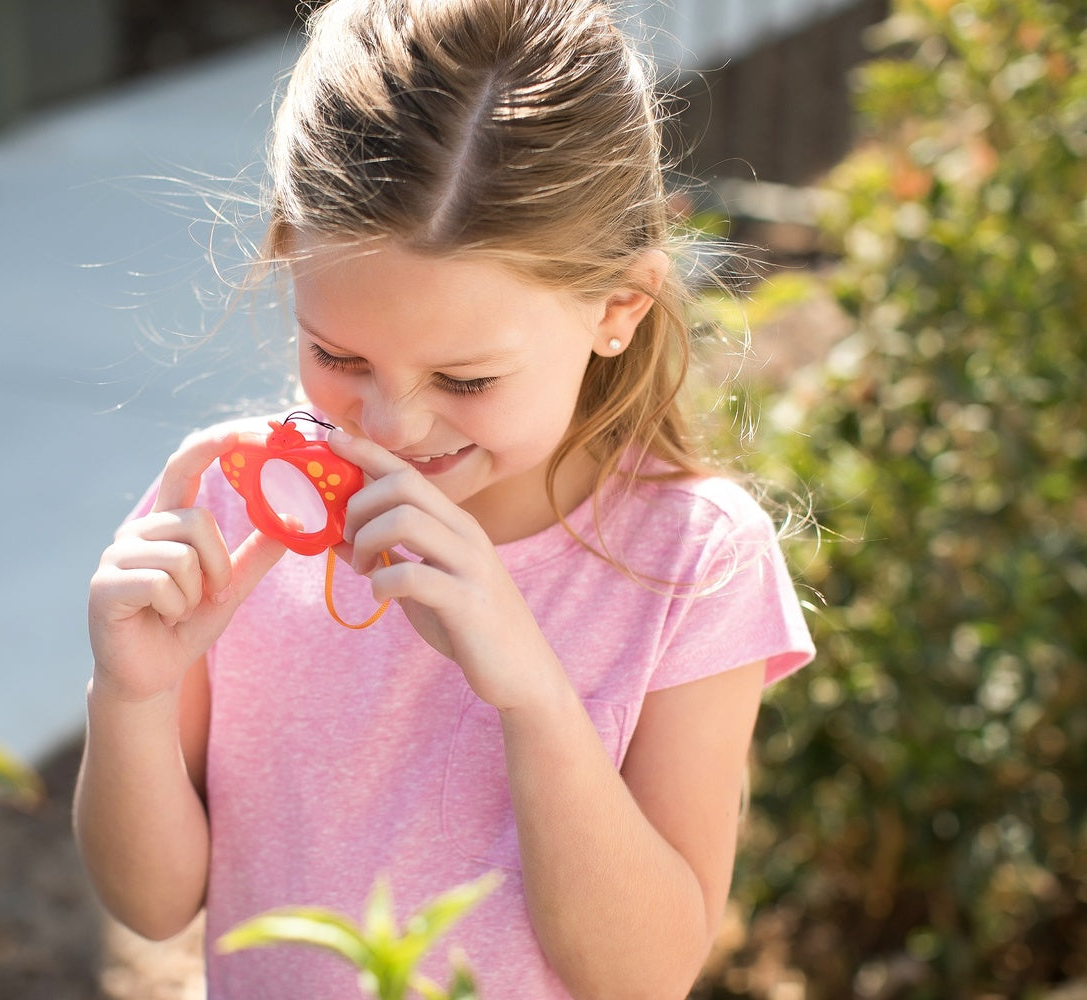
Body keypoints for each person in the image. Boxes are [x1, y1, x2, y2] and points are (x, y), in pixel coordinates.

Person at [73, 0, 814, 996]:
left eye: (465, 381)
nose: (392, 425)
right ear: (292, 256)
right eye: (338, 355)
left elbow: (643, 974)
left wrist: (533, 694)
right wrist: (131, 695)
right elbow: (152, 902)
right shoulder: (239, 505)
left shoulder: (693, 562)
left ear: (618, 309)